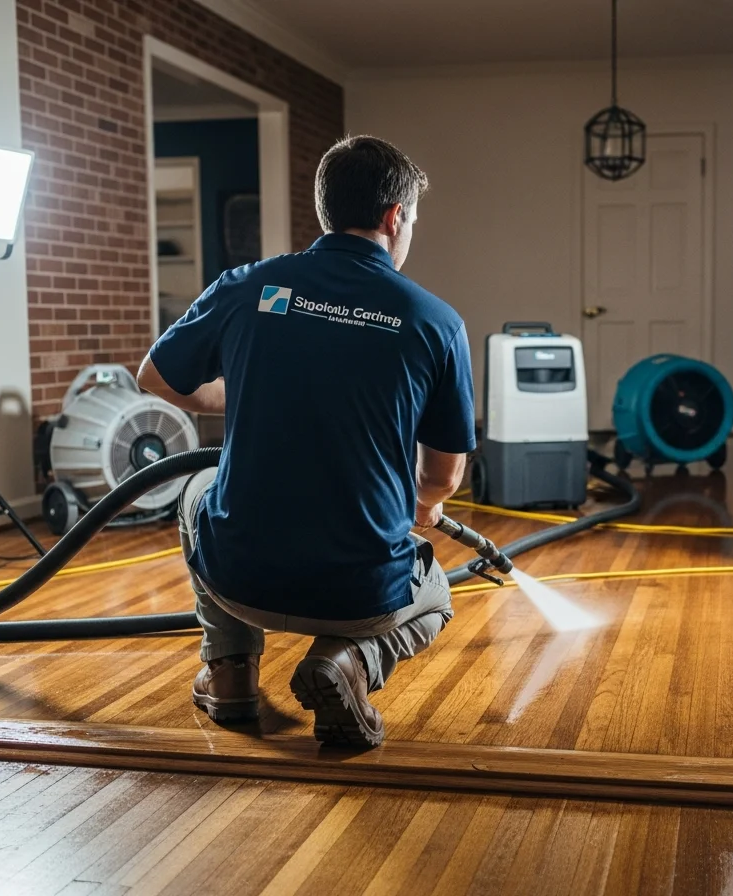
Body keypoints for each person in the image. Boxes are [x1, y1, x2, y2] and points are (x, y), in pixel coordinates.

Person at [136, 135, 475, 747]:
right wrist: (423, 507)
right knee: (438, 594)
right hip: (358, 594)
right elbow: (444, 477)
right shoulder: (437, 322)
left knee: (197, 488)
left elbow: (154, 377)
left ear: (327, 208)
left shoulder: (247, 285)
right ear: (394, 216)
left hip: (239, 578)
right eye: (413, 219)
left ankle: (230, 674)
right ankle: (348, 661)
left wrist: (246, 391)